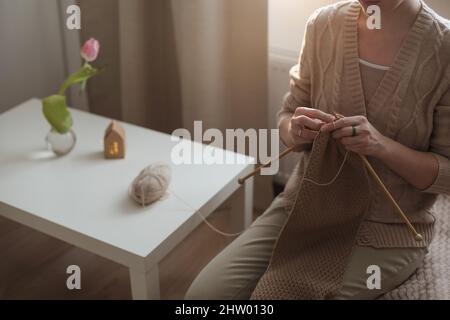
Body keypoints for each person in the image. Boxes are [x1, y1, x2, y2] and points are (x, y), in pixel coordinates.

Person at [186, 0, 450, 300]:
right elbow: (287, 116)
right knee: (202, 297)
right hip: (305, 206)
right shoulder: (323, 25)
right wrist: (296, 130)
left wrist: (380, 145)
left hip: (387, 229)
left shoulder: (443, 47)